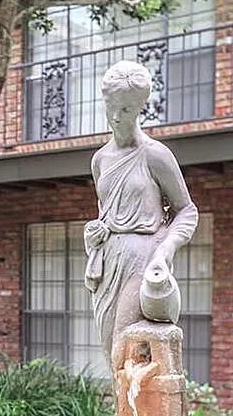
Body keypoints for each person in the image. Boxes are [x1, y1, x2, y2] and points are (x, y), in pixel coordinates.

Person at [84, 60, 198, 370]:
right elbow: (104, 212)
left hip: (144, 255)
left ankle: (139, 415)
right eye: (111, 106)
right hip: (108, 262)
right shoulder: (100, 160)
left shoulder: (155, 154)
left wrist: (165, 250)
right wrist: (94, 232)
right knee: (112, 353)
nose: (115, 117)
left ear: (139, 109)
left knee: (125, 345)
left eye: (125, 109)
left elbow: (186, 211)